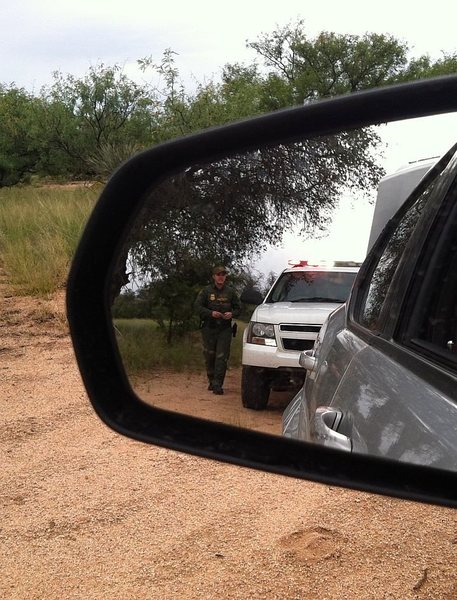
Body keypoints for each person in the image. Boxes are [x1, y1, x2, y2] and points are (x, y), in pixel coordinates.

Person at [194, 266, 241, 395]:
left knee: (222, 357)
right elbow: (197, 307)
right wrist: (211, 313)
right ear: (214, 276)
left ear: (225, 277)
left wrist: (231, 314)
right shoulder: (206, 291)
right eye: (218, 274)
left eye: (223, 274)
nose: (221, 277)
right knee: (210, 355)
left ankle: (218, 384)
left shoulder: (230, 292)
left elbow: (238, 308)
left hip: (224, 329)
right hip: (209, 328)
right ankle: (211, 380)